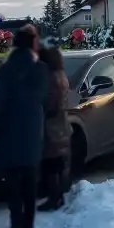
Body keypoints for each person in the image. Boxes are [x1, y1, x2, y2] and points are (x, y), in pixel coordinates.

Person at [0, 24, 48, 228]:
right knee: (30, 178)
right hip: (32, 131)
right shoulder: (40, 69)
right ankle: (29, 221)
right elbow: (43, 98)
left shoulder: (7, 69)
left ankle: (16, 224)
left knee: (13, 182)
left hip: (8, 132)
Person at [38, 45, 72, 211]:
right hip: (61, 123)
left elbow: (49, 103)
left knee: (51, 163)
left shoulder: (50, 78)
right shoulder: (60, 75)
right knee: (58, 162)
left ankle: (54, 199)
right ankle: (58, 195)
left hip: (51, 126)